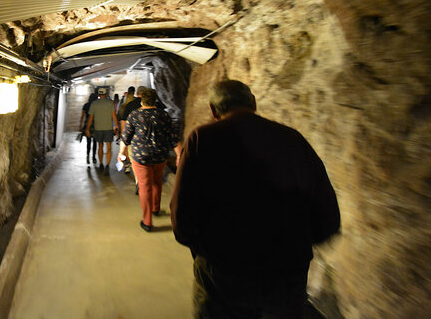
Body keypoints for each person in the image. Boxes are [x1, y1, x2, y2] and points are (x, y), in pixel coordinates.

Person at [170, 80, 341, 318]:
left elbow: (183, 210)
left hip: (225, 269)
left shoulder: (203, 139)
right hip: (286, 272)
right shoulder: (292, 139)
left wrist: (200, 247)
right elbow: (326, 214)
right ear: (253, 102)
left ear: (212, 109)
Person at [118, 88, 182, 232]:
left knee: (144, 186)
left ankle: (147, 221)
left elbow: (126, 137)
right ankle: (156, 208)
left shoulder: (135, 115)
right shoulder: (164, 115)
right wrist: (179, 155)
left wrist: (121, 153)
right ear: (155, 100)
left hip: (141, 156)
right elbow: (173, 138)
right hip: (160, 155)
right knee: (157, 182)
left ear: (142, 100)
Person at [85, 88, 119, 175]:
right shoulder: (110, 103)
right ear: (106, 94)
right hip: (108, 127)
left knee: (100, 146)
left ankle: (101, 164)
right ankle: (107, 165)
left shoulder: (94, 103)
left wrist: (87, 128)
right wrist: (116, 126)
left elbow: (90, 117)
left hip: (98, 128)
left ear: (98, 94)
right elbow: (114, 115)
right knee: (109, 147)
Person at [119, 86, 146, 187]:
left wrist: (124, 137)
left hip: (133, 137)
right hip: (147, 138)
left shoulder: (129, 105)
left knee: (134, 159)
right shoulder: (151, 105)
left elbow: (123, 122)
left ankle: (138, 181)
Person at [79, 92, 98, 165]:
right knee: (95, 142)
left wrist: (80, 125)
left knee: (88, 141)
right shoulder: (96, 106)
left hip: (87, 124)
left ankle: (87, 155)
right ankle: (93, 157)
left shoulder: (86, 105)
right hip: (95, 124)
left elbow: (82, 116)